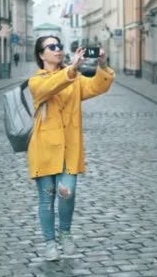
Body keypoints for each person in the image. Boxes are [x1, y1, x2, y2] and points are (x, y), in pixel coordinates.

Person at [27, 36, 114, 261]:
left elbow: (98, 86)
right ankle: (49, 243)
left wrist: (102, 65)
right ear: (41, 54)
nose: (58, 50)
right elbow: (50, 87)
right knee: (47, 197)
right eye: (52, 47)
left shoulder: (74, 78)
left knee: (68, 193)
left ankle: (64, 233)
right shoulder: (36, 81)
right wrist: (72, 69)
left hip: (69, 148)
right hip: (45, 149)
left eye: (59, 46)